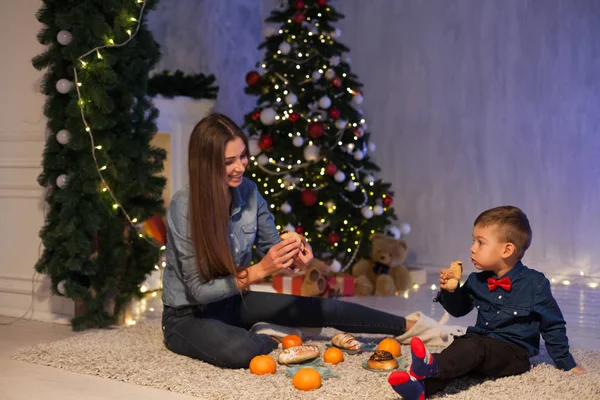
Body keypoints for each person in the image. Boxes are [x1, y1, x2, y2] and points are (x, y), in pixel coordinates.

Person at [162, 113, 437, 369]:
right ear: (206, 164)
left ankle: (410, 325)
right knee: (239, 352)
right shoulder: (184, 207)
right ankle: (268, 334)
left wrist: (295, 251)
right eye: (228, 161)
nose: (240, 167)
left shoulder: (249, 191)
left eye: (243, 156)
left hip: (234, 300)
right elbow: (198, 291)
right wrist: (260, 270)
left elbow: (272, 244)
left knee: (319, 308)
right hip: (188, 315)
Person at [388, 205, 585, 399]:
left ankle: (431, 364)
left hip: (513, 354)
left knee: (474, 348)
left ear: (507, 250)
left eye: (480, 242)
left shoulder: (535, 284)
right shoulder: (476, 280)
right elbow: (459, 310)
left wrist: (566, 363)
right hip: (480, 344)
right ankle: (421, 388)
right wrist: (450, 291)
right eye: (473, 241)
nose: (472, 248)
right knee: (460, 353)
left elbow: (553, 326)